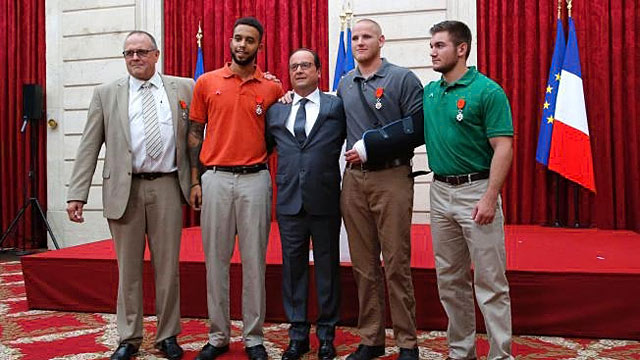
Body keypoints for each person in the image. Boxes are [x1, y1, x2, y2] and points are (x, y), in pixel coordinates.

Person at [66, 31, 194, 360]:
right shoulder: (106, 93)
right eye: (128, 53)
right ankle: (129, 337)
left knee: (168, 268)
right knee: (128, 269)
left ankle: (168, 336)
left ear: (156, 54)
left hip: (168, 185)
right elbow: (88, 146)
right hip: (125, 189)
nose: (134, 58)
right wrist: (77, 193)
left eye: (141, 52)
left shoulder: (184, 88)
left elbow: (201, 132)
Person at [187, 17, 283, 360]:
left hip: (255, 179)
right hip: (214, 178)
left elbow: (279, 134)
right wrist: (196, 180)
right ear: (230, 41)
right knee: (216, 260)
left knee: (255, 261)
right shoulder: (206, 81)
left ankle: (254, 337)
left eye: (250, 41)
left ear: (259, 46)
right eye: (238, 39)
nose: (242, 45)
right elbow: (194, 133)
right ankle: (217, 336)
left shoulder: (273, 88)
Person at [424, 20, 514, 360]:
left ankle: (500, 354)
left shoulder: (487, 91)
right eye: (431, 45)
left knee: (490, 282)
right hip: (439, 193)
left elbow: (503, 147)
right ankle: (461, 351)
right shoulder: (430, 92)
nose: (432, 51)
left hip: (476, 191)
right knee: (450, 280)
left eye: (439, 45)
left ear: (462, 49)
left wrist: (490, 196)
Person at [337, 18, 422, 360]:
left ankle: (407, 343)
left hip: (392, 178)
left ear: (381, 41)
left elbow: (417, 129)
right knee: (363, 264)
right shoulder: (345, 82)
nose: (359, 42)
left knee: (397, 262)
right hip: (354, 181)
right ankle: (371, 339)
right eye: (355, 37)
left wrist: (373, 147)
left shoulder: (403, 78)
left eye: (366, 37)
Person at [266, 48, 346, 360]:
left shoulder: (336, 106)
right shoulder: (276, 110)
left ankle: (327, 335)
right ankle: (297, 335)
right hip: (289, 202)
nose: (299, 70)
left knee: (327, 269)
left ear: (319, 71)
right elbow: (264, 147)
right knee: (293, 270)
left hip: (325, 199)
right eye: (294, 66)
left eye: (306, 65)